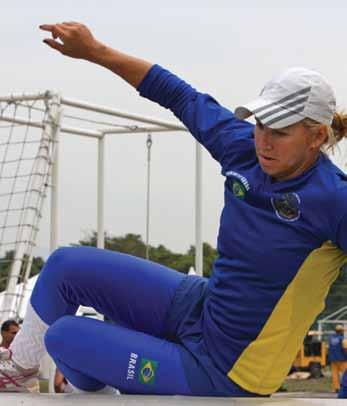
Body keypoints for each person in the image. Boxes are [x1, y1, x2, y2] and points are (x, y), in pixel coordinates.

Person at [0, 22, 346, 396]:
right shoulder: (243, 148)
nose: (263, 140)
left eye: (279, 132)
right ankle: (17, 370)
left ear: (316, 137)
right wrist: (94, 50)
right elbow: (179, 95)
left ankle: (104, 373)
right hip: (201, 306)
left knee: (66, 337)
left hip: (226, 371)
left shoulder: (334, 198)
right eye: (261, 124)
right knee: (65, 266)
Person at [328, 325, 347, 392]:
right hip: (342, 359)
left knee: (335, 374)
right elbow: (345, 348)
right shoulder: (342, 339)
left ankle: (336, 388)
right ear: (341, 331)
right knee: (345, 373)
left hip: (333, 359)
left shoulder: (331, 338)